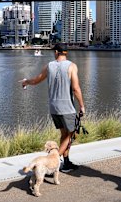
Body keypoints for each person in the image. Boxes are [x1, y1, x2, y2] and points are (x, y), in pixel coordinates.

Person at [21, 43, 85, 173]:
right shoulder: (72, 66)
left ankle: (66, 163)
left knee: (64, 135)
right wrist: (82, 106)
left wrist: (25, 81)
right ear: (65, 53)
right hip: (67, 107)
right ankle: (52, 163)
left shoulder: (49, 66)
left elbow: (36, 80)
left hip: (54, 107)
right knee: (71, 135)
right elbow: (76, 88)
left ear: (56, 52)